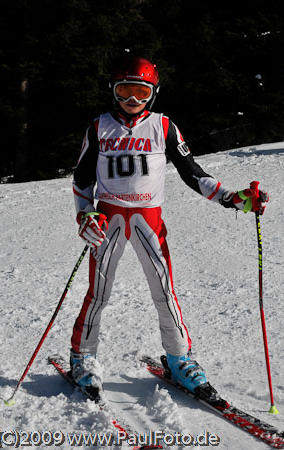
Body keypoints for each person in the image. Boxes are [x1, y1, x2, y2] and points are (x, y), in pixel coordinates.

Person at [70, 55, 269, 400]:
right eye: (125, 92)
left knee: (164, 292)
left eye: (141, 93)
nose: (132, 101)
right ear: (112, 92)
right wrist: (85, 214)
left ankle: (179, 358)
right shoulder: (99, 127)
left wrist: (232, 198)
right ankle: (83, 356)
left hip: (149, 219)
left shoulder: (163, 127)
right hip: (109, 218)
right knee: (99, 292)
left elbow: (193, 173)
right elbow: (81, 180)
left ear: (154, 93)